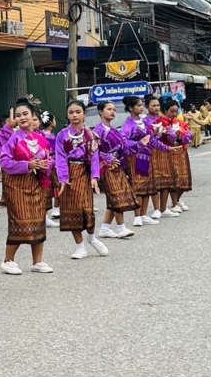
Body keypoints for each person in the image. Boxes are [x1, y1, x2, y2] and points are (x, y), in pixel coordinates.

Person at [0, 102, 54, 275]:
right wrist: (27, 164)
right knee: (19, 221)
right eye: (19, 115)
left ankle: (37, 261)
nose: (22, 118)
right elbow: (4, 162)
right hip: (17, 185)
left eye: (25, 114)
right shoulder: (13, 138)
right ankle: (8, 260)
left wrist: (46, 165)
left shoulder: (41, 138)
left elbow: (50, 159)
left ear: (33, 116)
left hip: (36, 183)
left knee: (38, 221)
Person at [53, 101, 105, 261]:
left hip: (84, 173)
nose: (74, 115)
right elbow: (60, 157)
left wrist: (95, 177)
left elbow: (95, 158)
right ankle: (80, 246)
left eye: (77, 112)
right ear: (67, 115)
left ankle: (91, 237)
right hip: (68, 175)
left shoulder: (91, 135)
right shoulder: (62, 135)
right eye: (71, 112)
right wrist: (63, 178)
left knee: (86, 208)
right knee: (71, 210)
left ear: (84, 114)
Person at [122, 96, 168, 227]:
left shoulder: (144, 123)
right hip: (135, 157)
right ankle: (137, 216)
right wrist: (138, 144)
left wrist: (166, 147)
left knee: (147, 186)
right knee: (138, 186)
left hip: (147, 156)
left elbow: (151, 139)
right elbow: (124, 141)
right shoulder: (128, 124)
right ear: (131, 108)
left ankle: (143, 214)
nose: (141, 107)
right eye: (138, 105)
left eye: (142, 105)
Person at [94, 102, 136, 239]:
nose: (112, 112)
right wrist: (108, 159)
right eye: (109, 109)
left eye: (114, 110)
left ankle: (105, 228)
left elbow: (123, 148)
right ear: (101, 112)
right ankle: (121, 227)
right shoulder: (97, 131)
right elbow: (94, 151)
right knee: (116, 196)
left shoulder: (113, 130)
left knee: (114, 198)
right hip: (106, 167)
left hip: (117, 167)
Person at [144, 95, 174, 221]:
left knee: (166, 178)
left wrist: (170, 134)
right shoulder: (145, 121)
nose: (156, 108)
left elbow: (172, 138)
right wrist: (154, 134)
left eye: (158, 105)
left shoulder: (165, 120)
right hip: (151, 151)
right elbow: (145, 137)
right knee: (154, 180)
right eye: (153, 105)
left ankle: (164, 207)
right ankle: (156, 208)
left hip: (164, 151)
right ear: (147, 107)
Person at [161, 100, 194, 214]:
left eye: (176, 111)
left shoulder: (181, 123)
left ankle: (177, 200)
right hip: (167, 153)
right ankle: (174, 203)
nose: (174, 114)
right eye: (171, 111)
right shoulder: (161, 123)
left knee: (183, 178)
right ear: (165, 111)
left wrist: (180, 138)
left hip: (180, 152)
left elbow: (189, 136)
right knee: (173, 178)